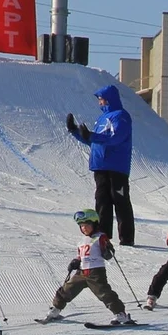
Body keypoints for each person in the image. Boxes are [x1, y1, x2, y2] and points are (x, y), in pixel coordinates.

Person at [66, 84, 134, 246]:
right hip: (100, 166)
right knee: (102, 200)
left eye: (102, 99)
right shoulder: (102, 118)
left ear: (109, 99)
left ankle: (126, 238)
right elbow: (94, 142)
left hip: (116, 166)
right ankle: (103, 236)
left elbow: (115, 137)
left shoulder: (121, 116)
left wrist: (92, 136)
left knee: (120, 200)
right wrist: (75, 131)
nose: (100, 102)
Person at [41, 210, 134, 326]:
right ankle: (55, 310)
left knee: (104, 293)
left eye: (87, 225)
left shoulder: (100, 237)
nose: (84, 228)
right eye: (81, 226)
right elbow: (80, 256)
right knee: (66, 290)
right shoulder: (81, 241)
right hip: (81, 272)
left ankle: (121, 315)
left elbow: (109, 253)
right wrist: (75, 261)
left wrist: (107, 251)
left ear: (94, 224)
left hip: (95, 272)